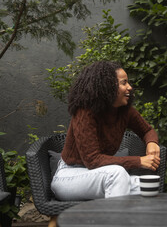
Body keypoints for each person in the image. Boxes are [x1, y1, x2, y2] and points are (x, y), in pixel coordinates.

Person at [51, 61, 160, 201]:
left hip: (100, 175)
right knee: (117, 174)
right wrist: (139, 161)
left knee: (147, 186)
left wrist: (152, 143)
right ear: (107, 86)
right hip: (69, 176)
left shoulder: (125, 111)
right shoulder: (85, 112)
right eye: (124, 83)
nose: (130, 87)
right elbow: (93, 160)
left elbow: (147, 130)